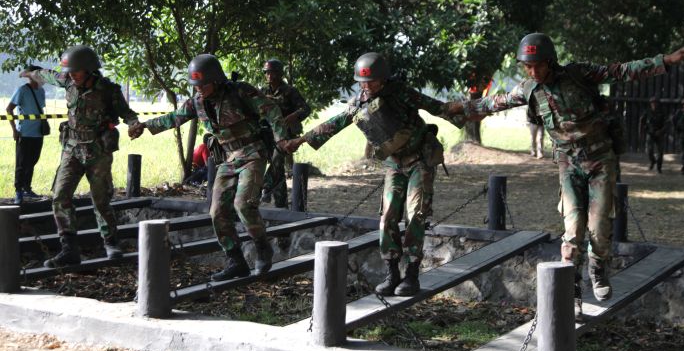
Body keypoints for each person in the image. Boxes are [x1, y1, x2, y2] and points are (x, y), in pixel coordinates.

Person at [448, 33, 684, 317]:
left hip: (600, 159)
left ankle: (598, 268)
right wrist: (460, 108)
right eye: (527, 66)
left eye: (538, 65)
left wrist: (666, 60)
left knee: (599, 227)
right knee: (572, 231)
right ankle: (573, 291)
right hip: (568, 164)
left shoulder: (578, 74)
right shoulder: (529, 89)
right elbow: (495, 103)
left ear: (550, 61)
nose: (533, 71)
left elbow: (620, 71)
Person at [282, 52, 465, 297]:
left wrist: (465, 110)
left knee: (415, 214)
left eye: (372, 82)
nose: (367, 86)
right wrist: (302, 139)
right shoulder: (359, 102)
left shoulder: (402, 93)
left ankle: (411, 274)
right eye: (363, 82)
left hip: (419, 160)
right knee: (388, 215)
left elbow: (437, 107)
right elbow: (336, 122)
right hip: (394, 164)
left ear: (384, 79)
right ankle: (392, 273)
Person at [129, 54, 288, 281]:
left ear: (216, 80)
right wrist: (145, 126)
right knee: (217, 211)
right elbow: (175, 117)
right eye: (196, 85)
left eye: (203, 84)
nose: (199, 89)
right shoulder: (197, 102)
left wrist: (281, 138)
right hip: (228, 158)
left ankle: (263, 248)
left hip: (253, 153)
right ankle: (235, 260)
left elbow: (272, 110)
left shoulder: (240, 91)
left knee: (243, 204)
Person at [21, 46, 141, 267]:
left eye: (76, 71)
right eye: (70, 71)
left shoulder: (108, 90)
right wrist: (30, 72)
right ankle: (69, 248)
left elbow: (128, 114)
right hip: (72, 149)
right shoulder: (67, 80)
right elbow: (47, 74)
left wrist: (134, 125)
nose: (72, 75)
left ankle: (111, 243)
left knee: (101, 199)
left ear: (89, 70)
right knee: (60, 195)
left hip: (98, 151)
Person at [259, 58, 311, 208]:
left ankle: (266, 186)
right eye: (267, 73)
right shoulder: (262, 91)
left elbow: (305, 109)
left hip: (285, 134)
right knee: (279, 169)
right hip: (267, 133)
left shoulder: (290, 91)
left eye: (272, 72)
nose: (269, 75)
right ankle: (281, 206)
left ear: (279, 73)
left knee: (276, 159)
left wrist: (292, 117)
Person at [6, 65, 46, 204]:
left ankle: (27, 188)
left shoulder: (42, 91)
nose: (42, 77)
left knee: (32, 162)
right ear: (33, 76)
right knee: (21, 163)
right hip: (24, 133)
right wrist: (14, 130)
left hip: (38, 133)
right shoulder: (22, 90)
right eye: (40, 74)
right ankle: (18, 191)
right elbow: (9, 109)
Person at [639, 97, 669, 173]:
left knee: (660, 152)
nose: (654, 104)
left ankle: (659, 167)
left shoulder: (662, 112)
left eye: (656, 103)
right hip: (650, 133)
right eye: (652, 103)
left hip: (660, 134)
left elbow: (667, 124)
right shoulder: (647, 112)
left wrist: (661, 131)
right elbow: (642, 121)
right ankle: (652, 161)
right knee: (649, 150)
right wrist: (641, 132)